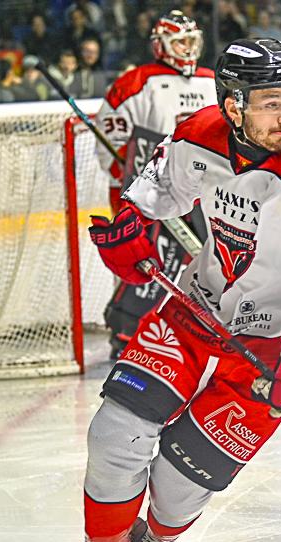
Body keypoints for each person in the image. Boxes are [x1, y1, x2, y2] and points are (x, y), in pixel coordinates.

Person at [33, 37, 281, 542]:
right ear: (232, 105)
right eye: (270, 104)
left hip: (276, 346)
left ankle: (157, 536)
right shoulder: (198, 134)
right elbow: (158, 189)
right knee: (115, 434)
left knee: (183, 481)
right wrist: (132, 224)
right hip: (194, 311)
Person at [95, 10, 217, 359]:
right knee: (147, 259)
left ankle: (201, 327)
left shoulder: (212, 81)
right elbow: (112, 143)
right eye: (180, 41)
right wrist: (133, 178)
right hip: (151, 190)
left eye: (192, 41)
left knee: (209, 259)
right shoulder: (135, 82)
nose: (188, 48)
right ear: (161, 45)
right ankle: (126, 330)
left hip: (202, 191)